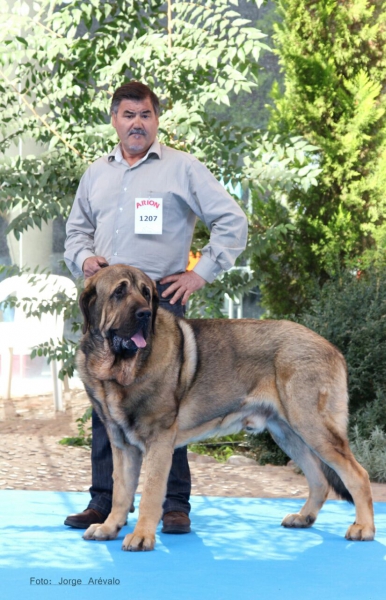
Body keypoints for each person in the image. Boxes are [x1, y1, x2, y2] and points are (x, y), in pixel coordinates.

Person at [63, 81, 248, 534]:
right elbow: (75, 233)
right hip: (108, 305)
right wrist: (85, 259)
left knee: (166, 409)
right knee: (107, 406)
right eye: (128, 115)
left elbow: (231, 220)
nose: (137, 123)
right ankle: (106, 503)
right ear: (114, 120)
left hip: (158, 306)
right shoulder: (96, 174)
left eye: (145, 115)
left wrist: (199, 272)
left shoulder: (181, 169)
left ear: (156, 120)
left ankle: (173, 505)